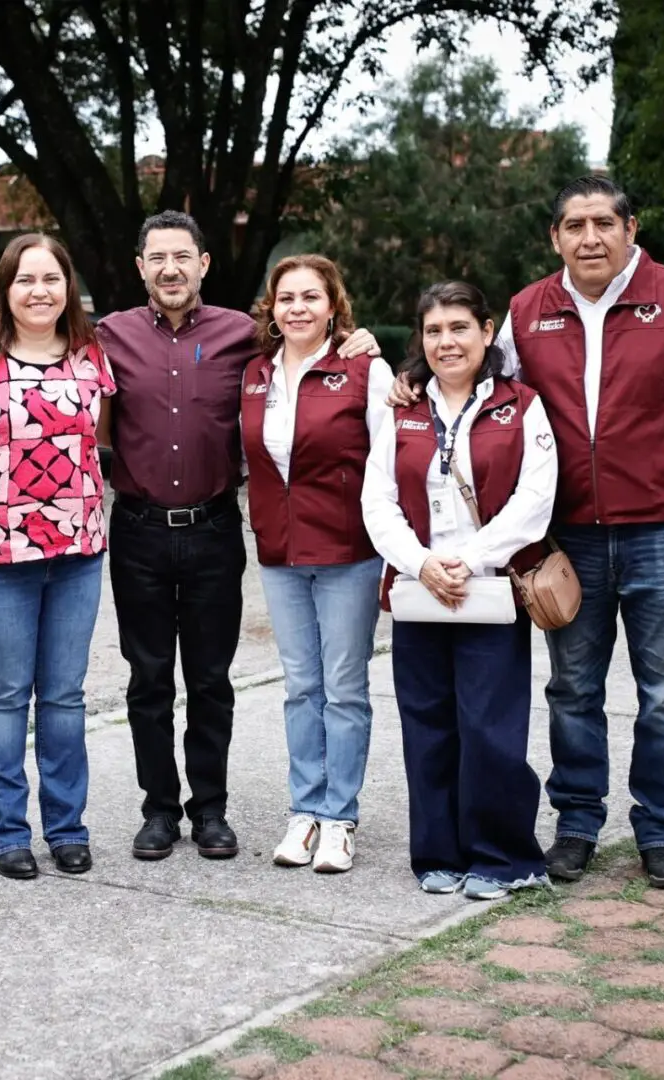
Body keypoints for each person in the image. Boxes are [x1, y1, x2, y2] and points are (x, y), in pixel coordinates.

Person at [393, 176, 664, 888]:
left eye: (602, 223)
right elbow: (491, 395)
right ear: (553, 237)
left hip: (663, 530)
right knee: (573, 690)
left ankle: (659, 830)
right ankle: (577, 824)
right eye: (573, 225)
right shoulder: (530, 310)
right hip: (568, 542)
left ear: (630, 228)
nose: (589, 237)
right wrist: (410, 377)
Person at [100, 211, 383, 862]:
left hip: (213, 529)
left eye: (183, 256)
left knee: (209, 680)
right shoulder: (109, 334)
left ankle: (210, 811)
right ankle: (158, 810)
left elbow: (305, 351)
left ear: (203, 264)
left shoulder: (242, 337)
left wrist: (357, 341)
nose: (170, 269)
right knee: (147, 679)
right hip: (138, 529)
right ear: (140, 267)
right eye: (156, 258)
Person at [363, 281, 557, 899]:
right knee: (427, 726)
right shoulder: (402, 411)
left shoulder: (521, 406)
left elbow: (535, 501)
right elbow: (377, 501)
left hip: (489, 593)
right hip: (420, 593)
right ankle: (437, 855)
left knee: (490, 729)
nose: (446, 342)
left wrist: (468, 561)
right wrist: (420, 564)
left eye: (458, 328)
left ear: (486, 330)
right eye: (433, 331)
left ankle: (502, 858)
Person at [0, 234, 114, 880]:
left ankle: (66, 828)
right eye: (25, 279)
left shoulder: (92, 357)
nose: (39, 291)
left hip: (78, 550)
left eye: (51, 278)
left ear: (68, 286)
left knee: (64, 696)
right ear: (3, 289)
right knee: (7, 694)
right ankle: (7, 833)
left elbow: (99, 443)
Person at [240, 254, 394, 873]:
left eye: (310, 297)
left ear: (334, 305)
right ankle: (304, 810)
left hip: (347, 552)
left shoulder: (364, 369)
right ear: (272, 310)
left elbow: (389, 463)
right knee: (301, 687)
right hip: (279, 553)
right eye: (286, 298)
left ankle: (340, 817)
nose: (297, 308)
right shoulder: (254, 373)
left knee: (345, 690)